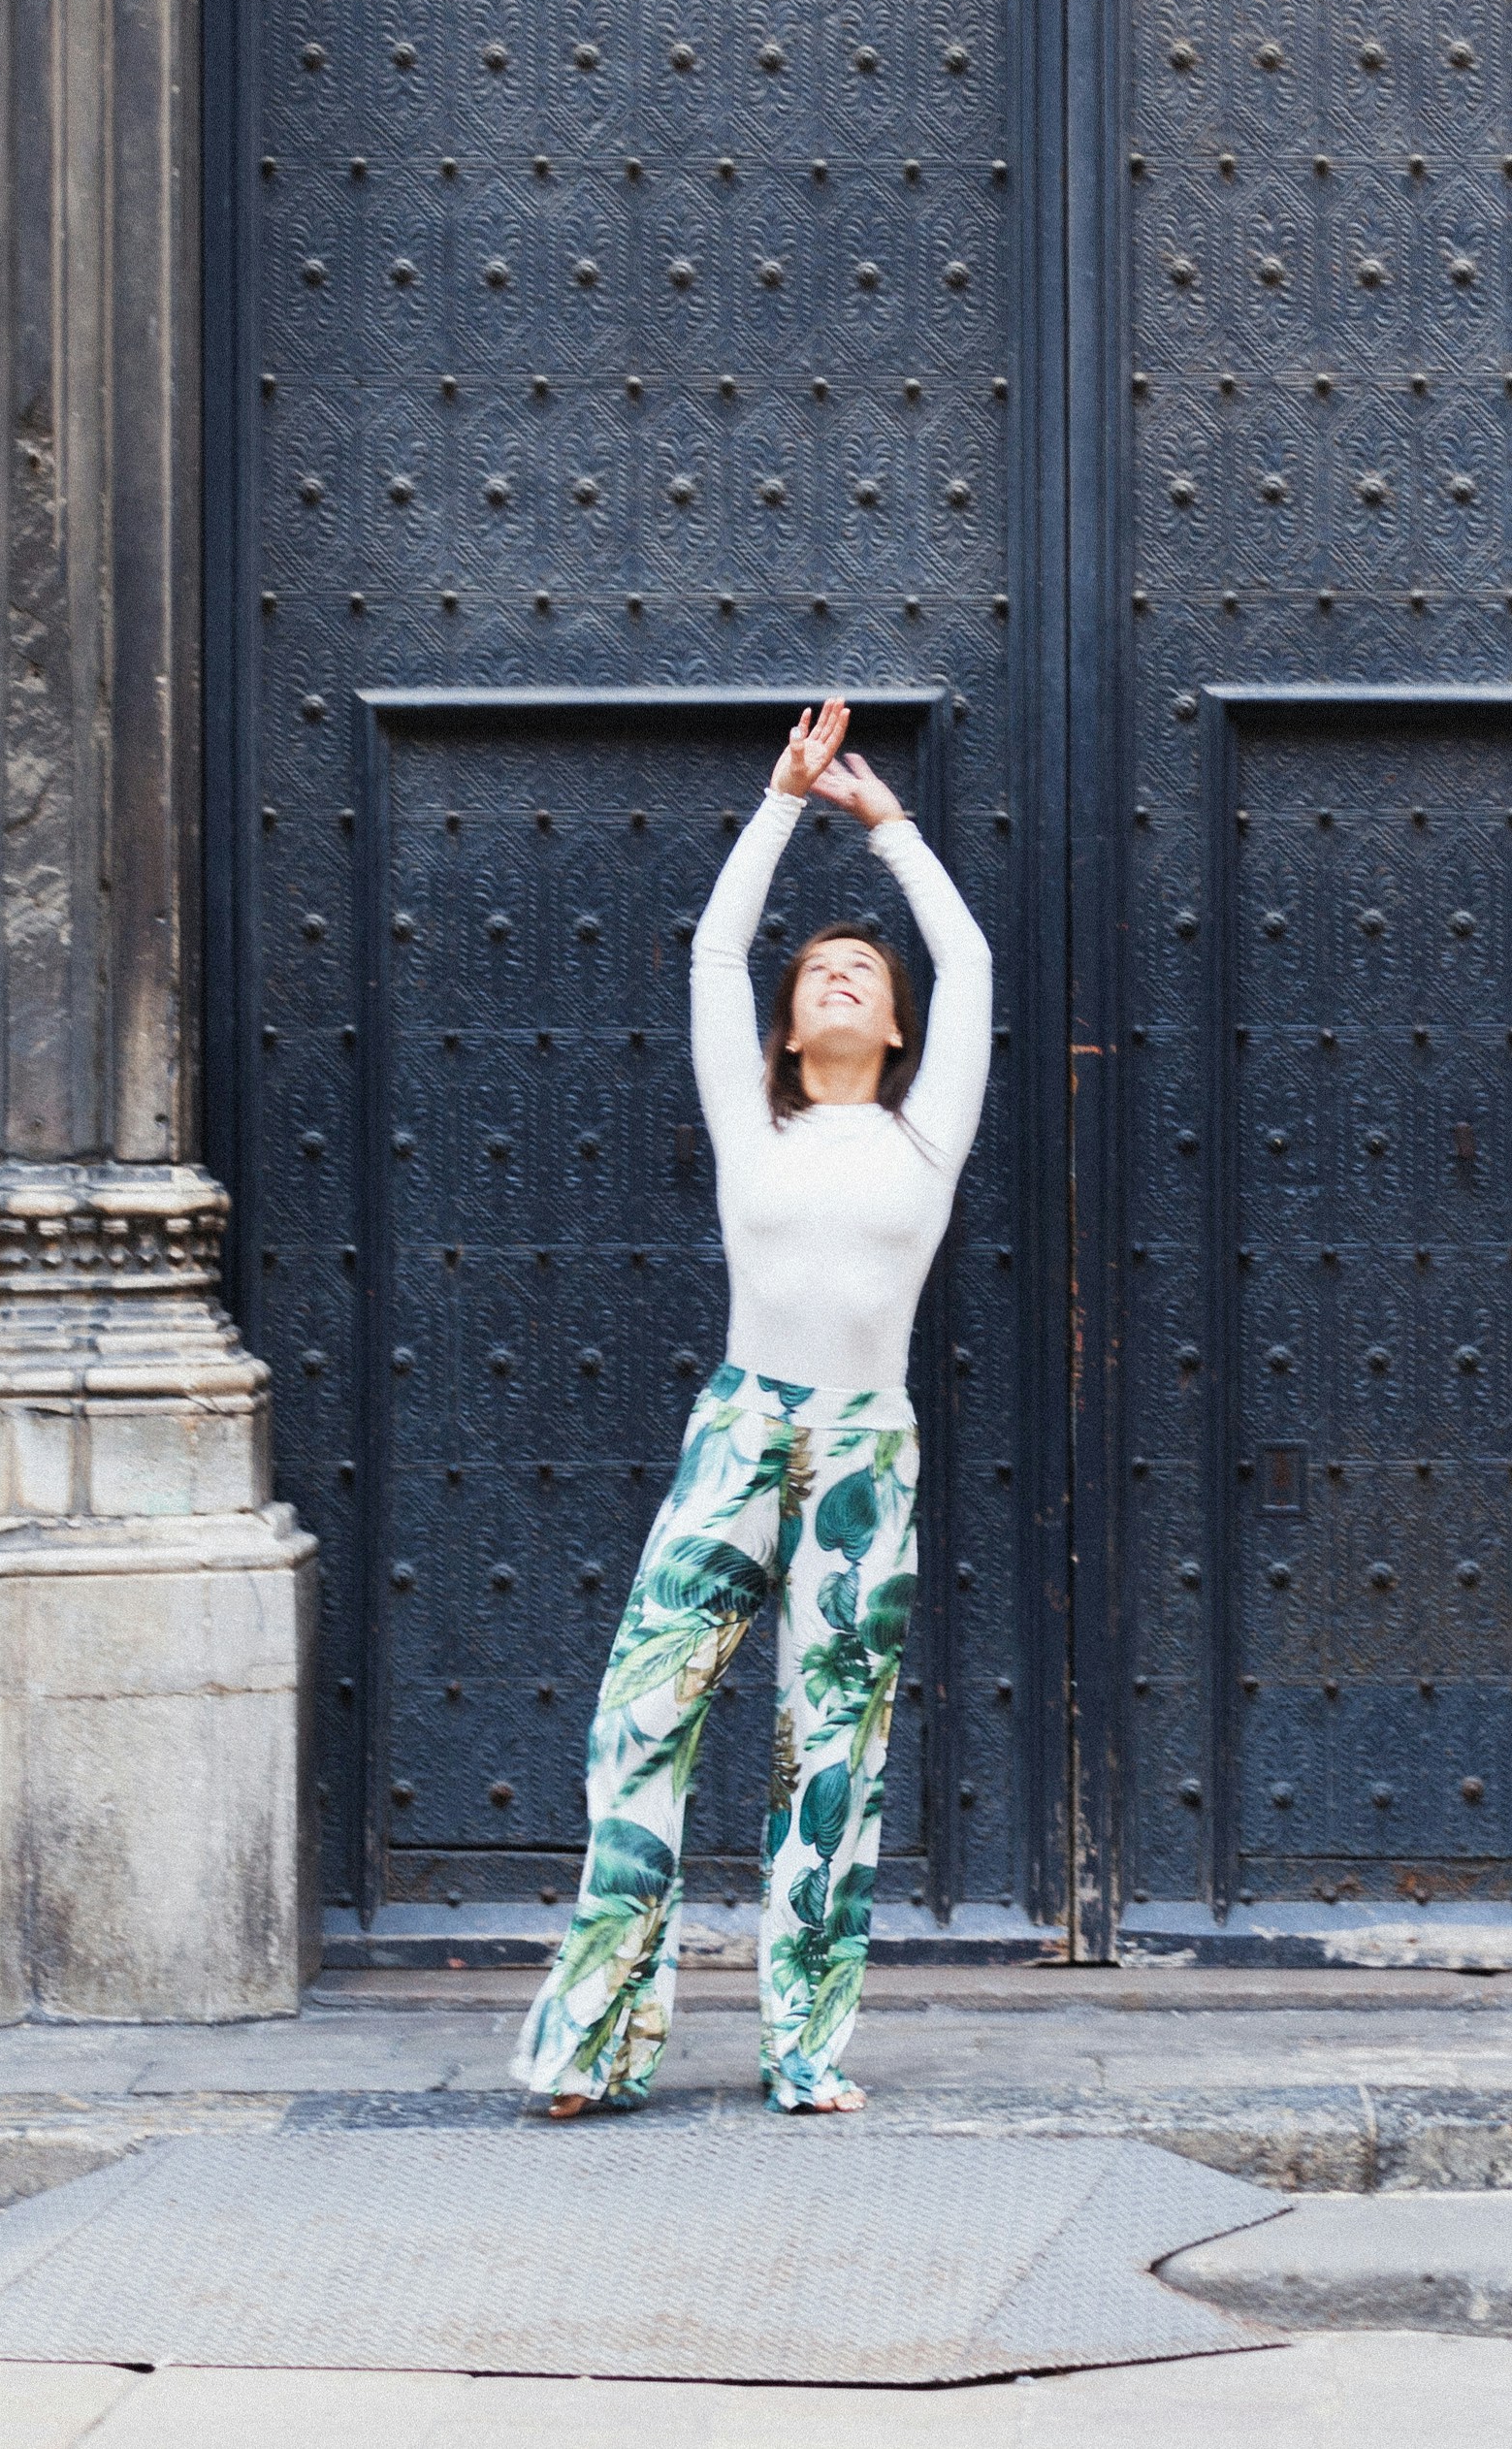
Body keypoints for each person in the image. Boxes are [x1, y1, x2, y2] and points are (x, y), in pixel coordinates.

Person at [513, 696, 991, 2119]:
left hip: (863, 1451)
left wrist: (889, 828)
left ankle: (804, 2050)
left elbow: (967, 952)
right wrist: (785, 800)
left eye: (864, 972)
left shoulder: (923, 1131)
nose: (841, 976)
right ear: (786, 1033)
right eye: (822, 971)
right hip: (739, 1430)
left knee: (830, 1755)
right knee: (641, 1725)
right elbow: (721, 946)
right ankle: (597, 2045)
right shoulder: (755, 1125)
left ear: (895, 1024)